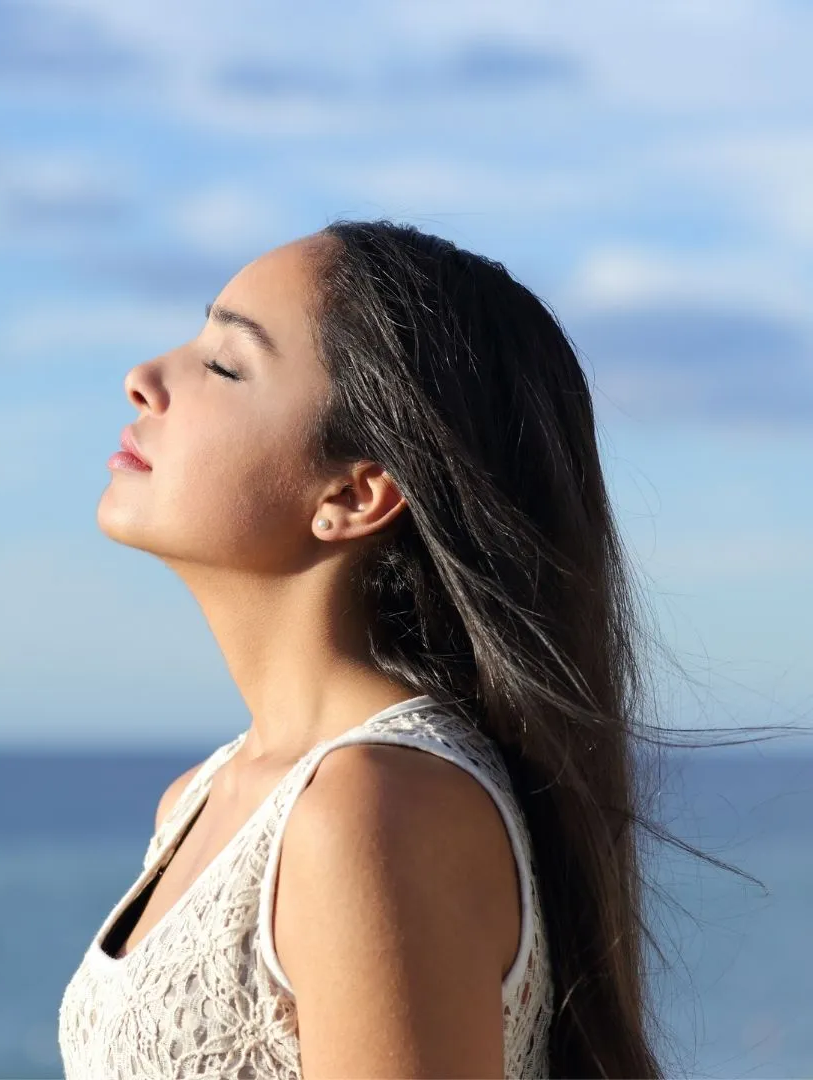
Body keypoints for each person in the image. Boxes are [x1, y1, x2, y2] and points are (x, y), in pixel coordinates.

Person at [58, 219, 671, 1078]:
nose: (143, 379)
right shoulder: (200, 802)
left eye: (225, 365)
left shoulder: (375, 810)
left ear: (354, 492)